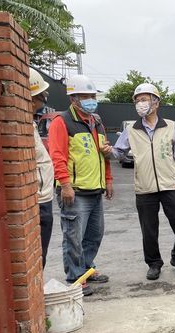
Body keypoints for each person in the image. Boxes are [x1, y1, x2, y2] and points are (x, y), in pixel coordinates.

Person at [113, 83, 175, 281]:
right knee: (149, 229)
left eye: (144, 99)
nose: (140, 104)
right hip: (144, 187)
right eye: (137, 101)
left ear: (156, 103)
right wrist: (107, 151)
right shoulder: (131, 129)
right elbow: (118, 152)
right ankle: (154, 263)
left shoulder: (170, 126)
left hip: (170, 185)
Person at [48, 74, 113, 296]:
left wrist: (109, 179)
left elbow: (103, 154)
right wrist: (65, 185)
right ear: (73, 98)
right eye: (85, 96)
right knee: (73, 237)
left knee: (94, 234)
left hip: (96, 189)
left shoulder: (97, 122)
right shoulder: (62, 122)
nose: (90, 100)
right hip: (74, 192)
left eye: (92, 96)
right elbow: (56, 155)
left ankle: (86, 269)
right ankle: (75, 279)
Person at [29, 68, 55, 268]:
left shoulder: (29, 123)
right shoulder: (22, 125)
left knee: (40, 253)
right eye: (40, 98)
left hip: (43, 198)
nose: (42, 102)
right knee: (36, 254)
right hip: (37, 199)